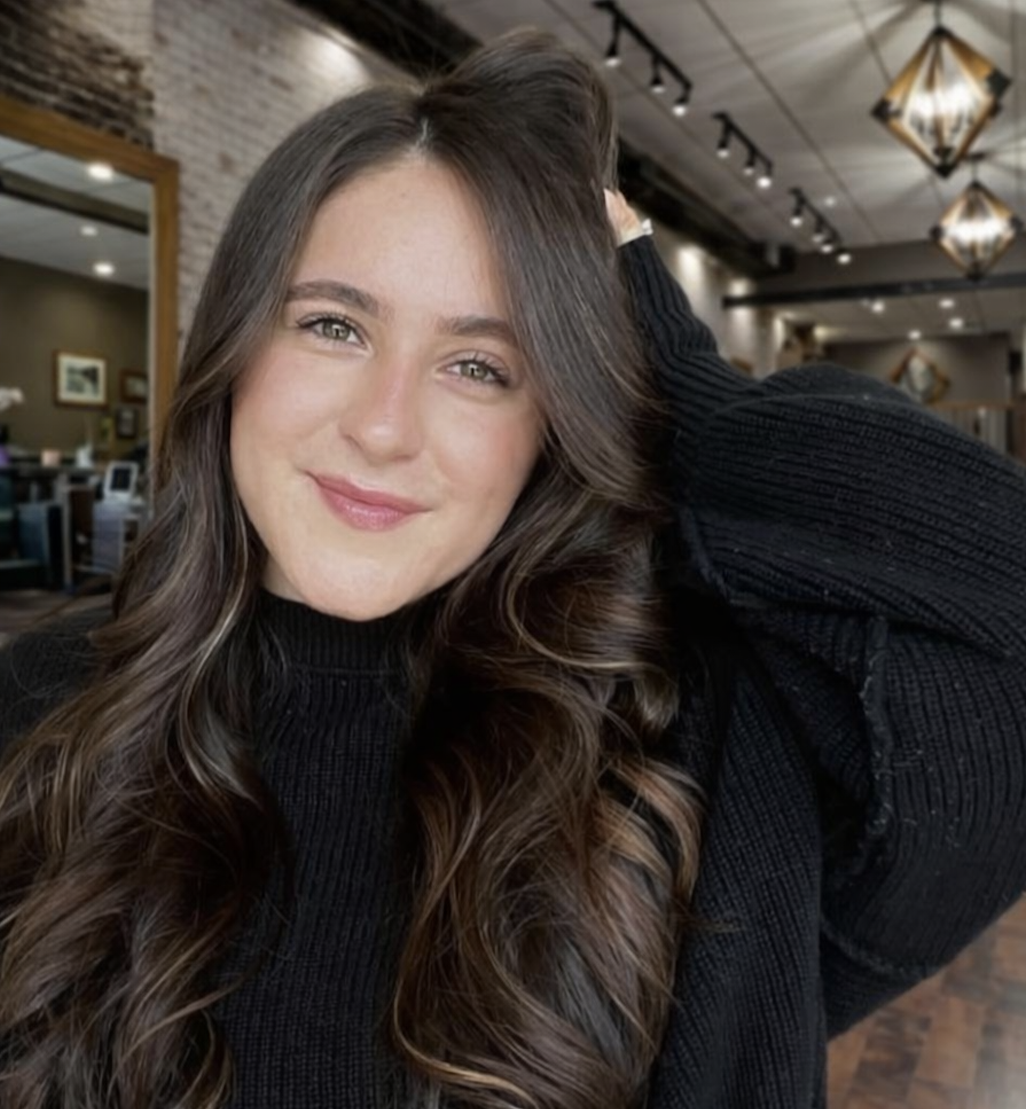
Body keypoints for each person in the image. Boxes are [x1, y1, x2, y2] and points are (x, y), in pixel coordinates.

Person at [1, 29, 1024, 1109]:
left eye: (482, 364)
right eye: (335, 325)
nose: (385, 428)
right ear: (235, 349)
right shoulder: (41, 707)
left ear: (554, 420)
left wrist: (682, 380)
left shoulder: (680, 755)